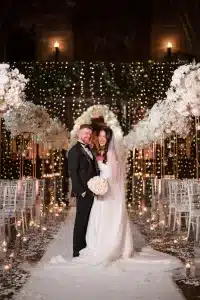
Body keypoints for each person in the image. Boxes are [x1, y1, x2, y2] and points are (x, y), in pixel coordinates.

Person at [79, 126, 134, 265]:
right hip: (101, 190)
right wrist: (97, 184)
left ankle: (108, 245)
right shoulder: (100, 151)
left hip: (108, 190)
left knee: (106, 217)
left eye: (105, 136)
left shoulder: (111, 154)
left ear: (109, 138)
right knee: (98, 216)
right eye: (100, 136)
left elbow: (113, 177)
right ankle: (97, 243)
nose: (102, 139)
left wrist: (103, 184)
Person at [68, 124, 100, 257]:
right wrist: (81, 191)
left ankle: (85, 247)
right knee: (81, 221)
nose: (88, 135)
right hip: (84, 192)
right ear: (79, 133)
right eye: (85, 133)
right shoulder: (74, 151)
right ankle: (77, 250)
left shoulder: (90, 149)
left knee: (89, 220)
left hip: (92, 191)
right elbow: (73, 173)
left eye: (89, 133)